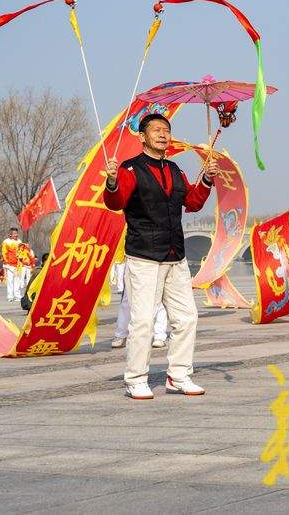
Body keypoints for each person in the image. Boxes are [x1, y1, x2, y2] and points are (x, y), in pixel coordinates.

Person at [105, 113, 218, 400]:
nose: (162, 134)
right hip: (144, 255)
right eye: (155, 130)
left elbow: (191, 203)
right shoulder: (130, 170)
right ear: (142, 137)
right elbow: (115, 202)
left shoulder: (175, 170)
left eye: (166, 130)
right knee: (142, 321)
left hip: (175, 255)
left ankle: (178, 375)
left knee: (187, 318)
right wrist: (112, 181)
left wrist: (206, 178)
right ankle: (136, 379)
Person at [1, 228, 22, 302]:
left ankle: (18, 296)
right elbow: (4, 252)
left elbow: (21, 252)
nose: (16, 235)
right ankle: (10, 296)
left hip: (17, 265)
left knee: (17, 281)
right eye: (14, 234)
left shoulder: (19, 242)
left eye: (17, 233)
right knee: (10, 281)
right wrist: (6, 262)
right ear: (10, 234)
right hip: (9, 264)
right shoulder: (6, 242)